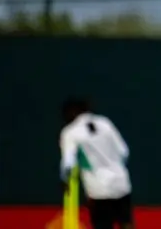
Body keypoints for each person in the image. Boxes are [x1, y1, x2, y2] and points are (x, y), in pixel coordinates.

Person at [59, 98, 134, 229]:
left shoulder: (70, 132)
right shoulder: (105, 123)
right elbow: (124, 151)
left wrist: (65, 181)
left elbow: (68, 164)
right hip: (121, 183)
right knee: (126, 222)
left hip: (98, 189)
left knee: (102, 225)